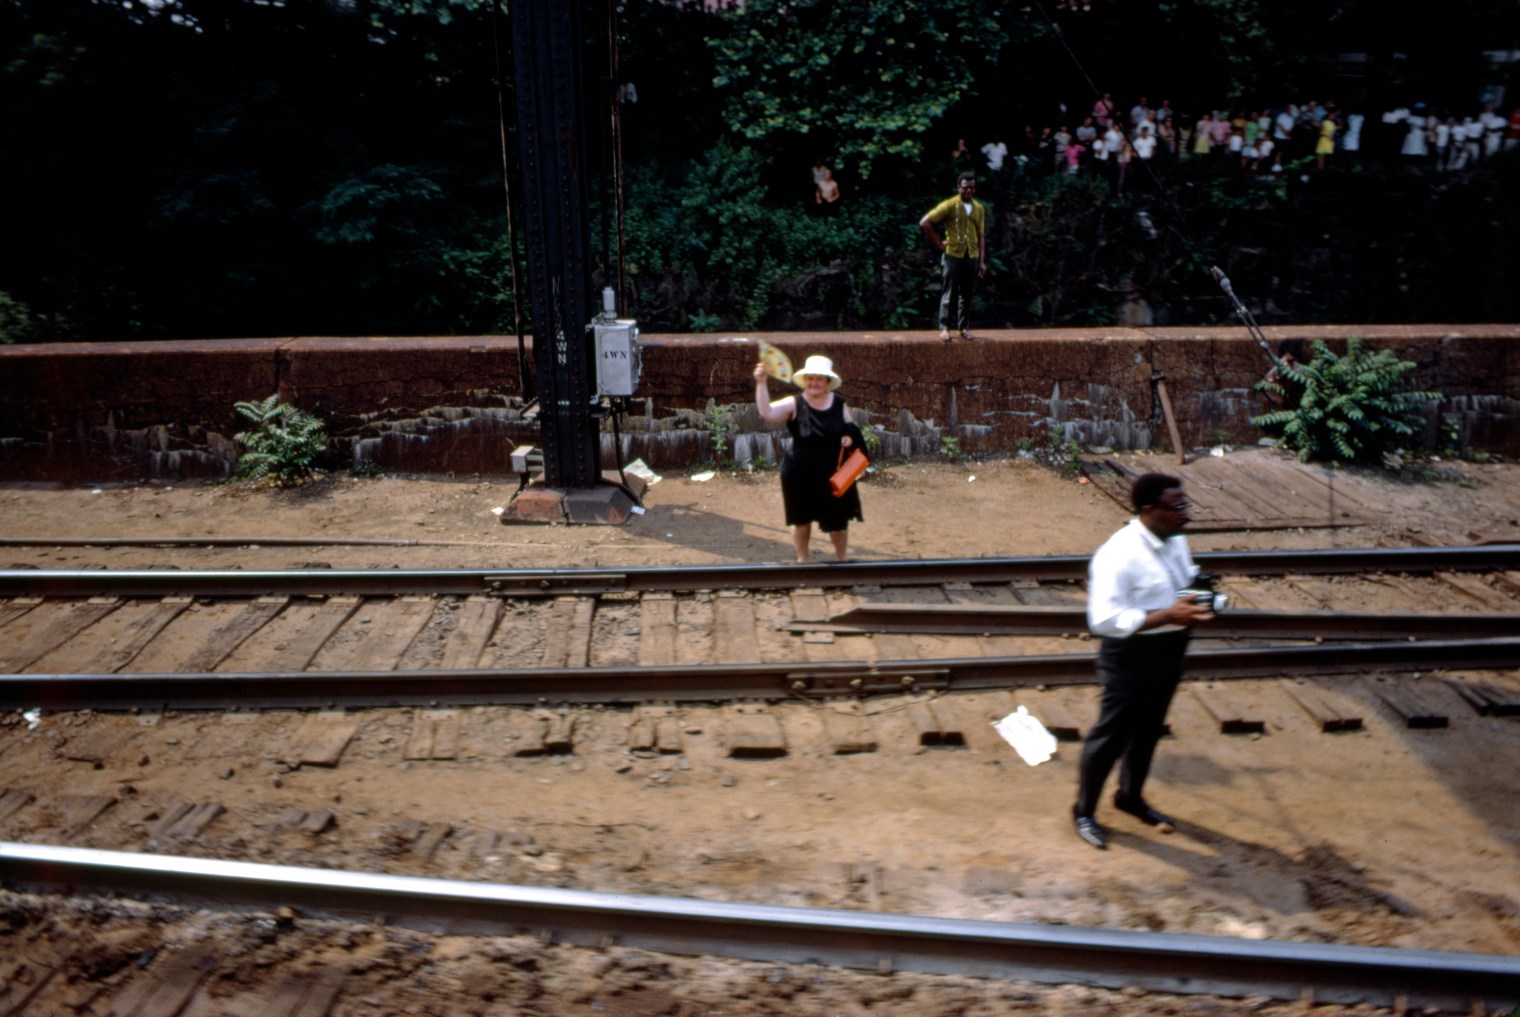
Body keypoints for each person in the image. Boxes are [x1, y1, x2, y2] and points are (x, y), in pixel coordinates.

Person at [1073, 473, 1215, 851]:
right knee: (1111, 736)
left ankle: (1129, 797)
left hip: (1170, 649)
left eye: (1186, 505)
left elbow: (1184, 581)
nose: (1186, 515)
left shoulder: (1176, 540)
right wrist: (1169, 615)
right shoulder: (1118, 554)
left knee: (1149, 729)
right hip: (1130, 655)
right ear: (1149, 510)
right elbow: (1103, 620)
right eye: (1177, 507)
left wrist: (1199, 601)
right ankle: (1084, 812)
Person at [752, 355, 864, 563]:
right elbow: (767, 413)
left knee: (838, 522)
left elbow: (851, 429)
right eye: (810, 378)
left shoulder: (839, 404)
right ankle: (802, 561)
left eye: (819, 379)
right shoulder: (794, 403)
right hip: (800, 473)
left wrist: (849, 438)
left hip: (834, 474)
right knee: (801, 520)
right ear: (804, 380)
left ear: (827, 382)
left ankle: (843, 562)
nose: (814, 383)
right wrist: (761, 382)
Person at [919, 172, 987, 342]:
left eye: (972, 187)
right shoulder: (949, 205)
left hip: (971, 255)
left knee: (967, 294)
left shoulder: (978, 208)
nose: (969, 191)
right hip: (953, 255)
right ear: (959, 188)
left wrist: (982, 261)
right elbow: (925, 223)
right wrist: (939, 243)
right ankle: (944, 328)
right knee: (949, 292)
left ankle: (964, 328)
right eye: (966, 187)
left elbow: (981, 235)